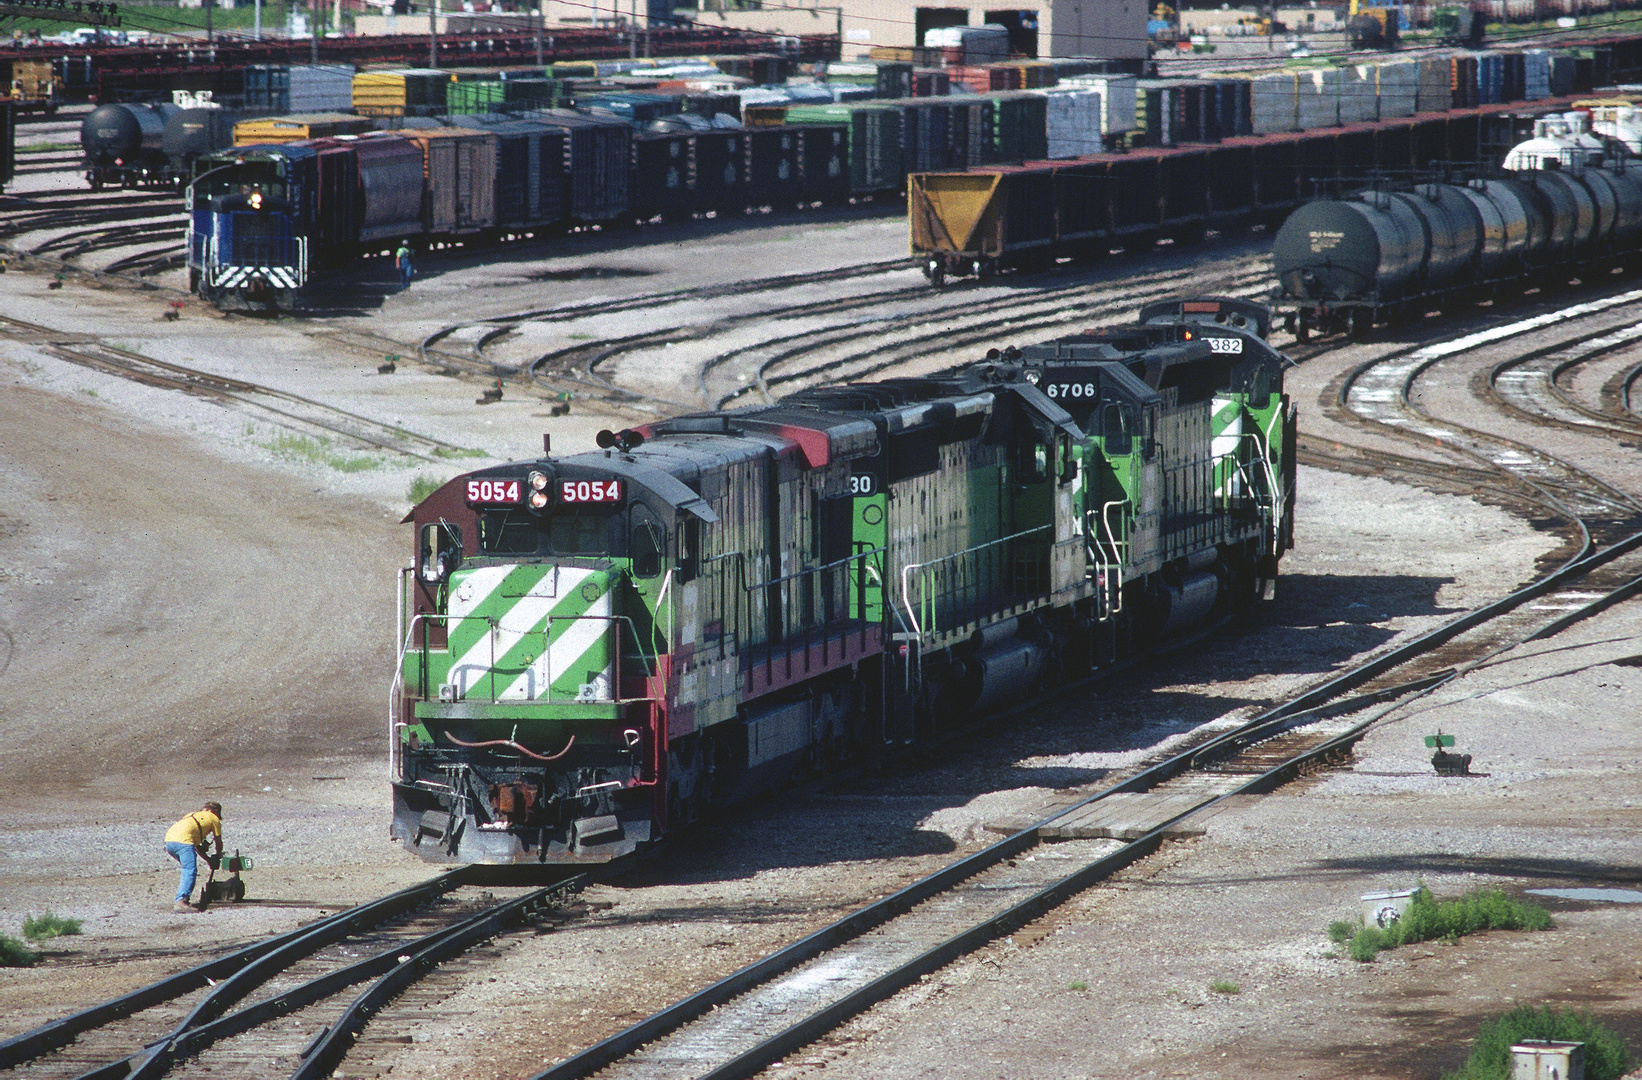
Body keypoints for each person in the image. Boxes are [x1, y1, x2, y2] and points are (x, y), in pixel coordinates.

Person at [164, 802, 223, 913]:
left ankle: (183, 899)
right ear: (215, 812)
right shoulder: (214, 818)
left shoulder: (192, 815)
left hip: (170, 842)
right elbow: (218, 841)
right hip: (184, 843)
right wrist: (218, 855)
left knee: (187, 869)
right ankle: (181, 902)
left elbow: (196, 847)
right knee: (189, 870)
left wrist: (209, 860)